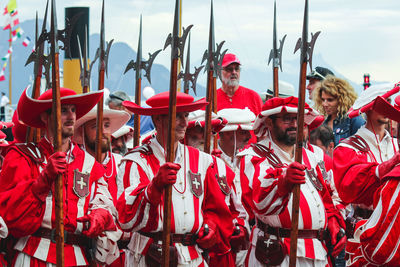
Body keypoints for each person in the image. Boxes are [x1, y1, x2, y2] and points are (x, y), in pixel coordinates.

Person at [0, 88, 120, 266]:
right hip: (33, 255)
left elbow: (108, 208)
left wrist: (100, 216)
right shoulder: (23, 156)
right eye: (63, 110)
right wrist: (42, 181)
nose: (71, 116)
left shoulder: (89, 164)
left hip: (78, 257)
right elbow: (8, 214)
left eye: (73, 110)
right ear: (44, 117)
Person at [117, 91, 234, 266]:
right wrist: (154, 187)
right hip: (148, 256)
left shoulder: (202, 160)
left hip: (191, 256)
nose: (184, 122)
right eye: (177, 116)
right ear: (158, 119)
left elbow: (216, 208)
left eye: (186, 115)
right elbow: (126, 218)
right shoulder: (136, 161)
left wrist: (210, 225)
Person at [239, 96, 345, 266]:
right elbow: (259, 202)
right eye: (287, 119)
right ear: (269, 123)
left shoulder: (311, 156)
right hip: (277, 253)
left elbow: (325, 197)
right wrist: (283, 182)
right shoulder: (254, 155)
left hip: (317, 252)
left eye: (297, 119)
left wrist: (333, 222)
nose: (294, 125)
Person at [341, 89, 400, 266]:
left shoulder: (396, 143)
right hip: (367, 227)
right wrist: (384, 168)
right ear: (369, 108)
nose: (389, 108)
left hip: (390, 232)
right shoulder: (348, 148)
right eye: (384, 103)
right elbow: (348, 190)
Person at [184, 109, 250, 267]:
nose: (201, 139)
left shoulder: (220, 167)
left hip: (220, 249)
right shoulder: (175, 166)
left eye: (206, 135)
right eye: (195, 136)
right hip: (186, 248)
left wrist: (239, 225)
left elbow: (235, 208)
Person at [73, 106, 130, 204]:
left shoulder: (121, 163)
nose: (103, 132)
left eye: (106, 125)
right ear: (82, 131)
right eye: (95, 126)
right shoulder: (74, 163)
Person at [314, 75, 365, 146]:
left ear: (341, 100)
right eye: (323, 99)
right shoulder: (322, 123)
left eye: (330, 100)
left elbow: (363, 148)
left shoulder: (353, 120)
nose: (324, 104)